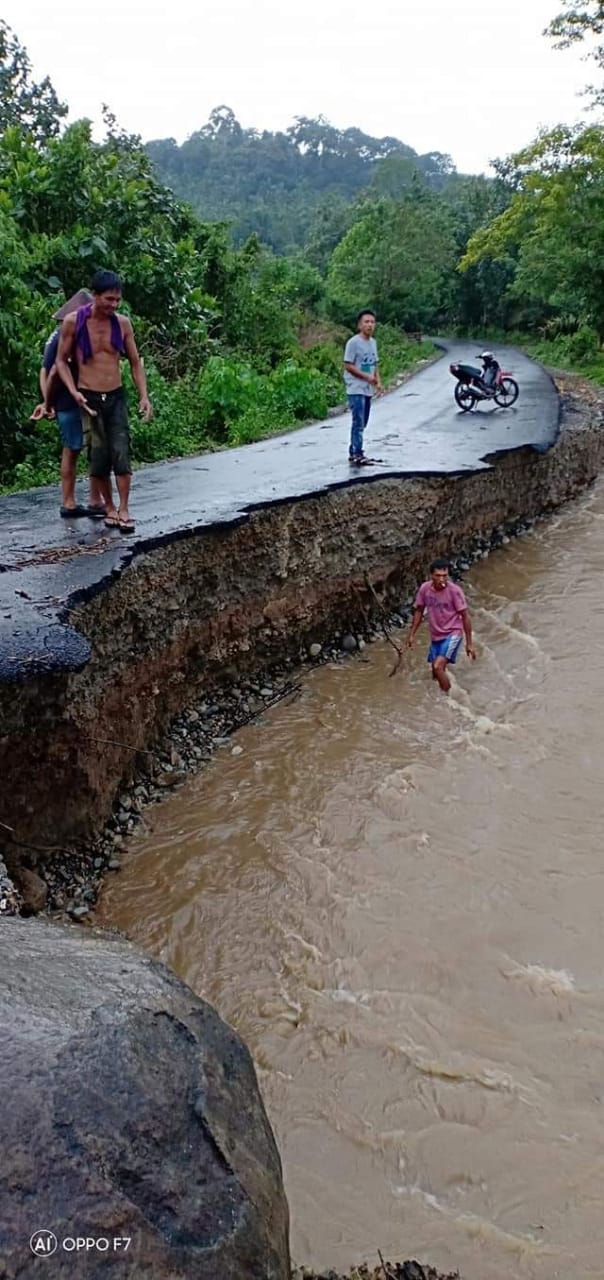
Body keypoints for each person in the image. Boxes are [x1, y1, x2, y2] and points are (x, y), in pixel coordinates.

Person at [56, 269, 153, 534]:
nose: (114, 305)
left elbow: (134, 361)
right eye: (109, 299)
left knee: (121, 452)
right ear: (95, 296)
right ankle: (109, 508)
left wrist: (144, 395)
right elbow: (60, 362)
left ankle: (124, 509)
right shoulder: (74, 323)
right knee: (98, 457)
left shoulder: (122, 324)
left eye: (117, 300)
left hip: (116, 395)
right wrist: (73, 391)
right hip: (88, 397)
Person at [30, 290, 112, 518]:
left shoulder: (73, 335)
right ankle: (70, 502)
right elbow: (52, 371)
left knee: (89, 448)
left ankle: (93, 501)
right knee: (78, 449)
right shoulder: (63, 337)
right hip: (70, 400)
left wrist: (47, 400)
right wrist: (48, 402)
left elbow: (45, 370)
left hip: (83, 398)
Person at [407, 558, 476, 693]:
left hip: (453, 632)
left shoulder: (454, 591)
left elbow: (465, 616)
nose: (442, 579)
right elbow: (419, 611)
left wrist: (469, 643)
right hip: (436, 635)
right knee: (435, 672)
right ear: (431, 575)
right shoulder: (425, 589)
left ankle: (449, 698)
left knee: (437, 666)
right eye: (438, 576)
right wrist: (411, 635)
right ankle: (438, 702)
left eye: (445, 576)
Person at [343, 309, 383, 466]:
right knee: (358, 421)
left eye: (372, 322)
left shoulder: (373, 343)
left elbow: (375, 364)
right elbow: (348, 365)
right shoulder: (353, 343)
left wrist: (378, 382)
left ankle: (354, 449)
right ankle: (357, 453)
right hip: (355, 387)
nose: (370, 325)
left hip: (367, 388)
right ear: (360, 325)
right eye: (366, 322)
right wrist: (366, 377)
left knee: (364, 421)